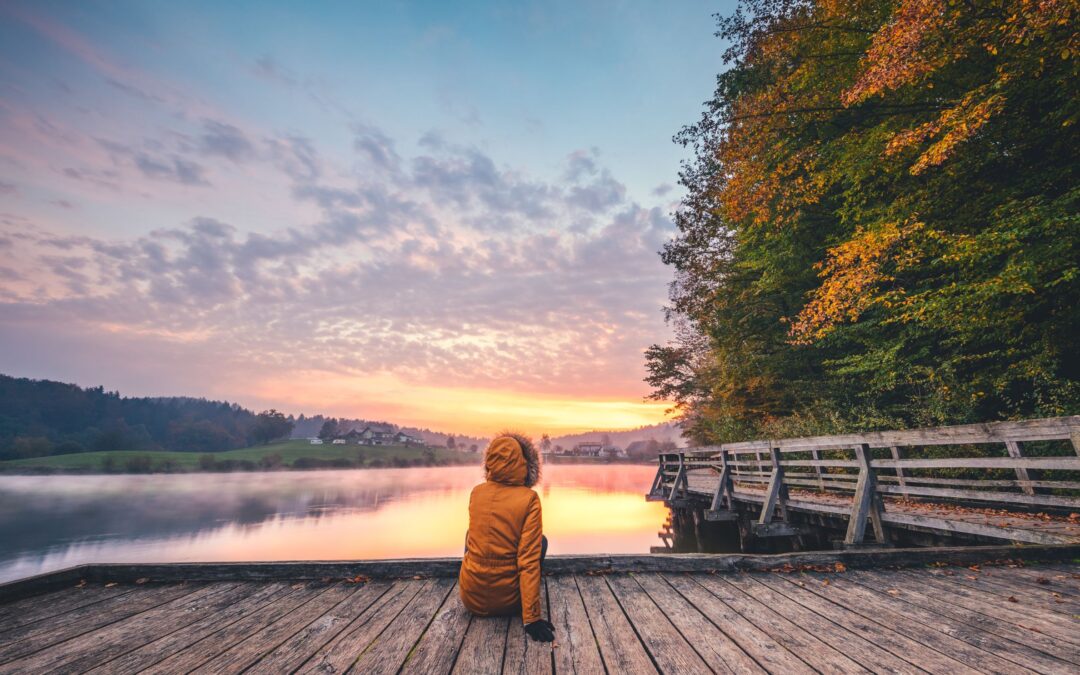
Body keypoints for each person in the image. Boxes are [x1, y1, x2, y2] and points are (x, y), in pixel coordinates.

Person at [459, 433, 555, 642]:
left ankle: (474, 583)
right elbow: (528, 560)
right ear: (524, 462)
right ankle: (525, 601)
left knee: (470, 535)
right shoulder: (529, 499)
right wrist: (532, 618)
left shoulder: (477, 493)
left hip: (470, 600)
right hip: (508, 603)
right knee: (541, 542)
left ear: (489, 462)